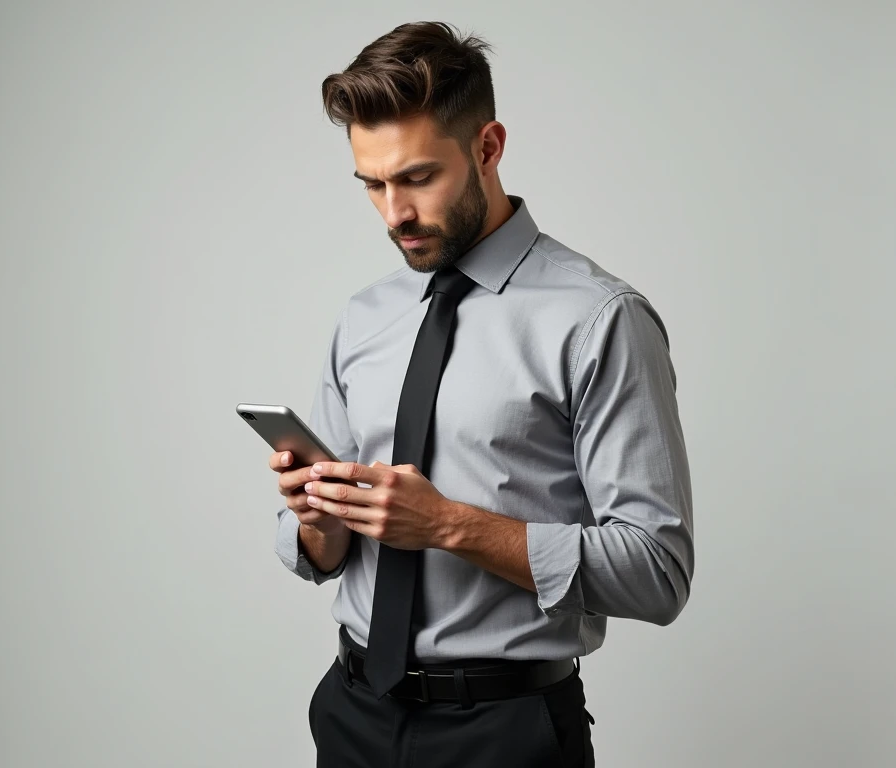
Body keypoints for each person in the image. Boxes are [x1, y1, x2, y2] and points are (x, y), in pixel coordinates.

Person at [270, 20, 694, 768]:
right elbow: (325, 553)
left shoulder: (598, 319)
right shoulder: (365, 316)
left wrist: (448, 525)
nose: (394, 212)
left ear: (488, 148)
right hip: (352, 713)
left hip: (505, 733)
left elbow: (657, 571)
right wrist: (318, 516)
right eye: (373, 184)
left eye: (417, 177)